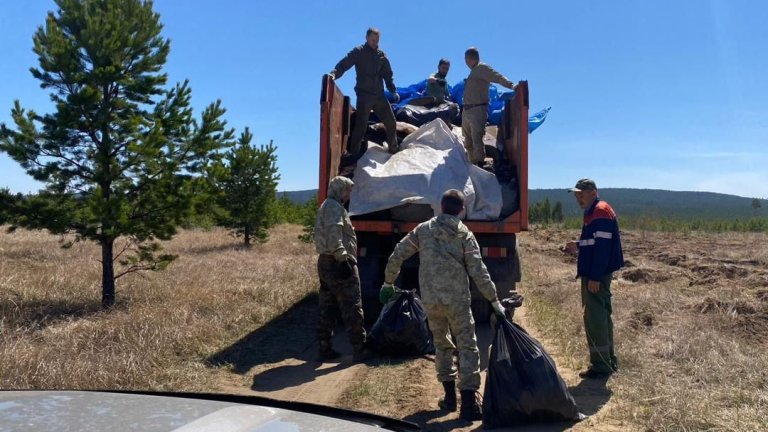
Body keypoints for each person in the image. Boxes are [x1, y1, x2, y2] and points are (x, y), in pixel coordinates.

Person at [380, 189, 505, 421]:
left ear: (440, 206)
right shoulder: (464, 234)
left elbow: (398, 252)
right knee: (467, 345)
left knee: (441, 344)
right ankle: (469, 405)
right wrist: (494, 301)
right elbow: (478, 271)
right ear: (461, 209)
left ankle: (449, 398)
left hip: (431, 299)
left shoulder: (423, 229)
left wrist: (388, 281)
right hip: (457, 299)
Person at [563, 178, 624, 379]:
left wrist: (596, 276)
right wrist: (578, 245)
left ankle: (601, 366)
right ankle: (607, 361)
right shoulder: (592, 212)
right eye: (576, 194)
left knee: (596, 319)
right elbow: (594, 242)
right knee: (600, 317)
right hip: (592, 273)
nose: (578, 198)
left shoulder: (600, 211)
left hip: (596, 275)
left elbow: (603, 249)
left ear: (593, 192)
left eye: (581, 193)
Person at [313, 176, 371, 362]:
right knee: (352, 305)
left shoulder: (329, 205)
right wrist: (343, 258)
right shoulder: (332, 207)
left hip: (327, 262)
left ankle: (324, 347)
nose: (348, 194)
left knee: (328, 305)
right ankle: (359, 348)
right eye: (347, 190)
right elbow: (333, 233)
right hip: (337, 261)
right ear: (339, 189)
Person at [329, 28, 400, 161]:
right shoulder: (359, 52)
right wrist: (334, 74)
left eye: (377, 40)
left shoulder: (381, 56)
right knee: (361, 125)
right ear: (366, 38)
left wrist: (392, 90)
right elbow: (345, 63)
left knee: (391, 122)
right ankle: (353, 154)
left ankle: (393, 148)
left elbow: (388, 75)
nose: (375, 43)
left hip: (379, 95)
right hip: (364, 95)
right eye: (373, 40)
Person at [462, 47, 516, 167]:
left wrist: (511, 85)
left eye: (466, 59)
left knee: (476, 139)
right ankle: (472, 165)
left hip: (477, 109)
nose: (465, 62)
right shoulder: (474, 71)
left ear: (470, 59)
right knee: (468, 140)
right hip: (467, 110)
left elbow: (497, 76)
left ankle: (479, 166)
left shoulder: (482, 68)